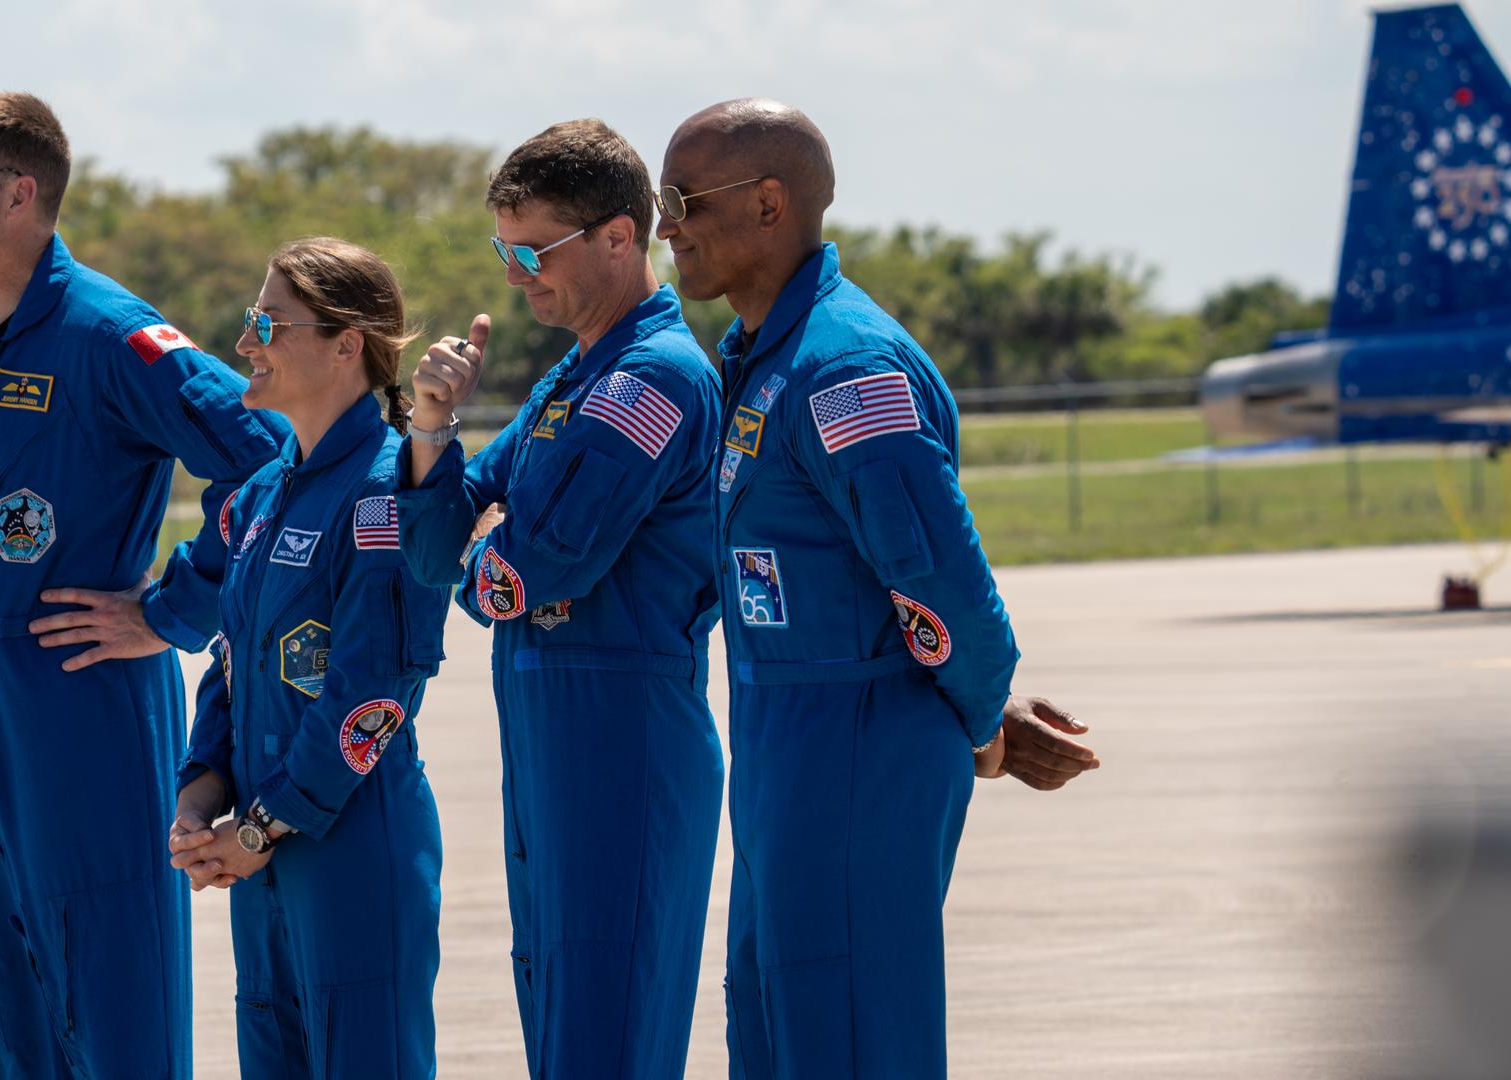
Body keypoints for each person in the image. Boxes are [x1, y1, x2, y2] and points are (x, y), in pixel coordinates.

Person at [654, 98, 1095, 1078]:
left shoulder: (843, 370)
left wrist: (981, 717)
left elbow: (937, 576)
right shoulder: (765, 358)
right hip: (787, 743)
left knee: (849, 1037)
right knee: (777, 1031)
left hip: (854, 751)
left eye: (681, 199)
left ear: (769, 205)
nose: (665, 227)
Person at [0, 92, 286, 1078]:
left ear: (20, 192)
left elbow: (270, 463)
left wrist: (172, 610)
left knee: (112, 993)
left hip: (80, 698)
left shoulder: (111, 335)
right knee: (5, 985)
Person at [396, 120, 725, 1078]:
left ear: (620, 238)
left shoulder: (651, 378)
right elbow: (438, 540)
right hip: (549, 719)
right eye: (503, 250)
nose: (513, 276)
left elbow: (528, 572)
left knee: (605, 1022)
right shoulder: (572, 379)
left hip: (622, 723)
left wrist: (482, 553)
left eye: (532, 251)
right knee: (558, 1007)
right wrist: (431, 422)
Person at [164, 237, 450, 1079]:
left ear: (344, 344)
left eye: (268, 322)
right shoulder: (259, 491)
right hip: (262, 858)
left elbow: (376, 688)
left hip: (351, 845)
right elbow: (232, 657)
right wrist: (199, 791)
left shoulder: (389, 486)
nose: (246, 342)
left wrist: (261, 826)